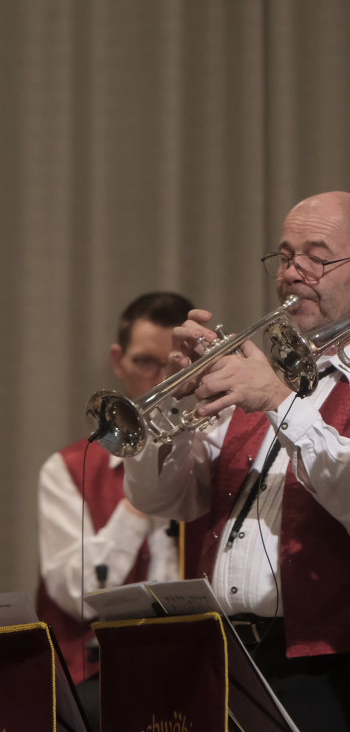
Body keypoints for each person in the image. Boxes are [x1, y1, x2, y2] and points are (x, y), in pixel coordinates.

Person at [123, 191, 350, 732]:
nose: (293, 272)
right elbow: (163, 499)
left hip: (334, 672)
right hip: (224, 655)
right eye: (286, 257)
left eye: (317, 257)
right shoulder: (263, 376)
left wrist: (278, 402)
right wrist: (174, 398)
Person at [36, 290, 193, 724]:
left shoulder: (214, 455)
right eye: (145, 362)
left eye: (172, 365)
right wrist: (146, 494)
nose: (159, 380)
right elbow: (79, 597)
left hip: (197, 665)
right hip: (99, 673)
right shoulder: (67, 470)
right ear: (118, 362)